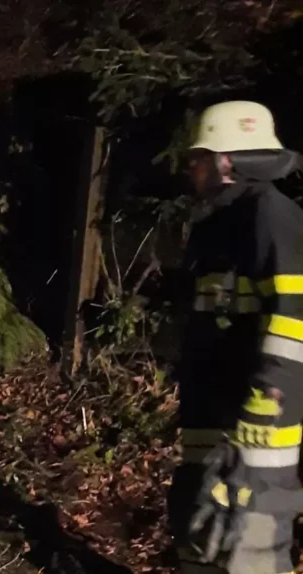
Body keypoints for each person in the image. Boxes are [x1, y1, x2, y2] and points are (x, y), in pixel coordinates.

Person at [172, 101, 303, 574]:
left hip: (260, 417)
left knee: (253, 540)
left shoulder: (271, 216)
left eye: (199, 157)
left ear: (227, 161)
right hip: (214, 405)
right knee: (199, 524)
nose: (191, 167)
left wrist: (269, 397)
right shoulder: (219, 220)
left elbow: (293, 316)